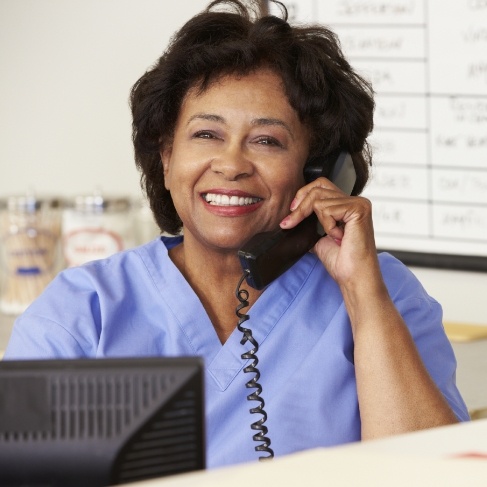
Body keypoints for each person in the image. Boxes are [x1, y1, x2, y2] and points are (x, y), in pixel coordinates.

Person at [4, 0, 469, 469]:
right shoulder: (81, 313)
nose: (230, 164)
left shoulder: (383, 293)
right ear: (166, 158)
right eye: (206, 134)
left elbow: (433, 474)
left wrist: (363, 298)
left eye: (267, 140)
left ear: (318, 172)